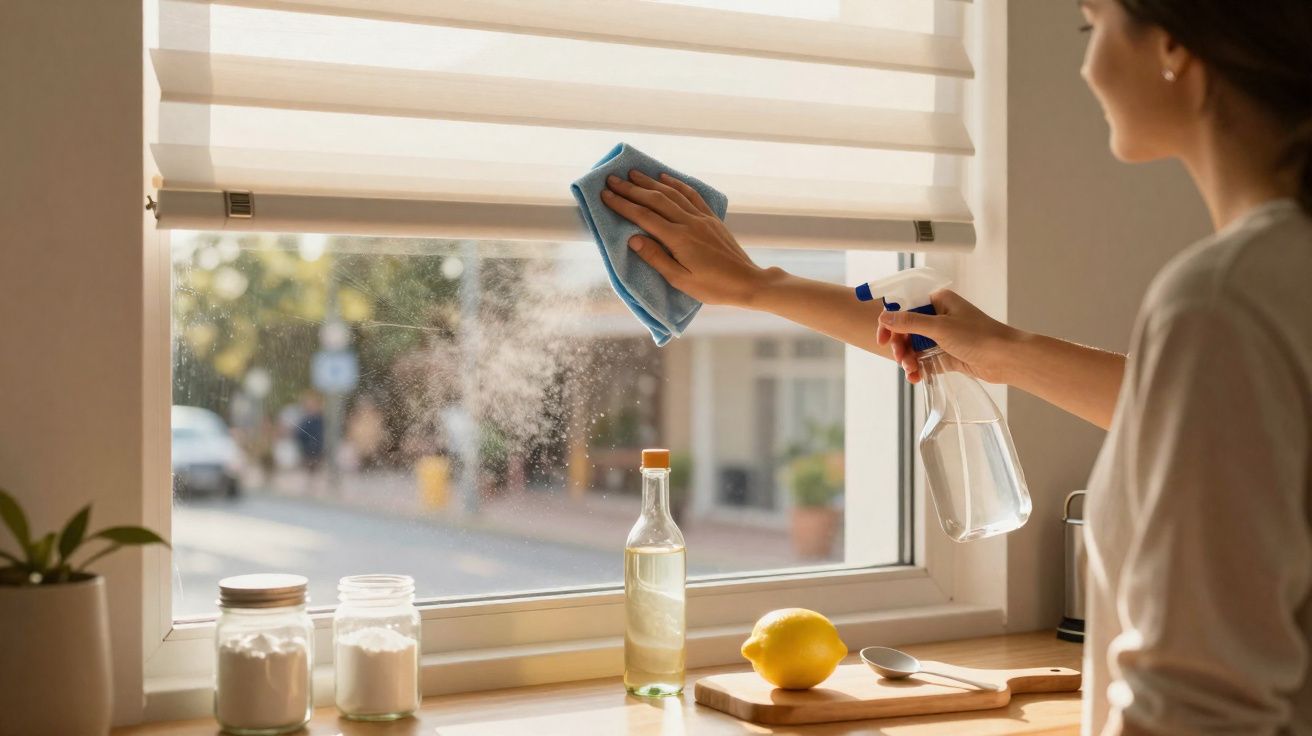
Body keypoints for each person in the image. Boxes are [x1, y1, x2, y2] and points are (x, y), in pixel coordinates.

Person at [600, 0, 1312, 732]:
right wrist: (762, 287)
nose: (1085, 65)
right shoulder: (1273, 288)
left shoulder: (1227, 297)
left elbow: (1199, 707)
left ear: (1173, 48)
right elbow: (1195, 413)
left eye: (1091, 24)